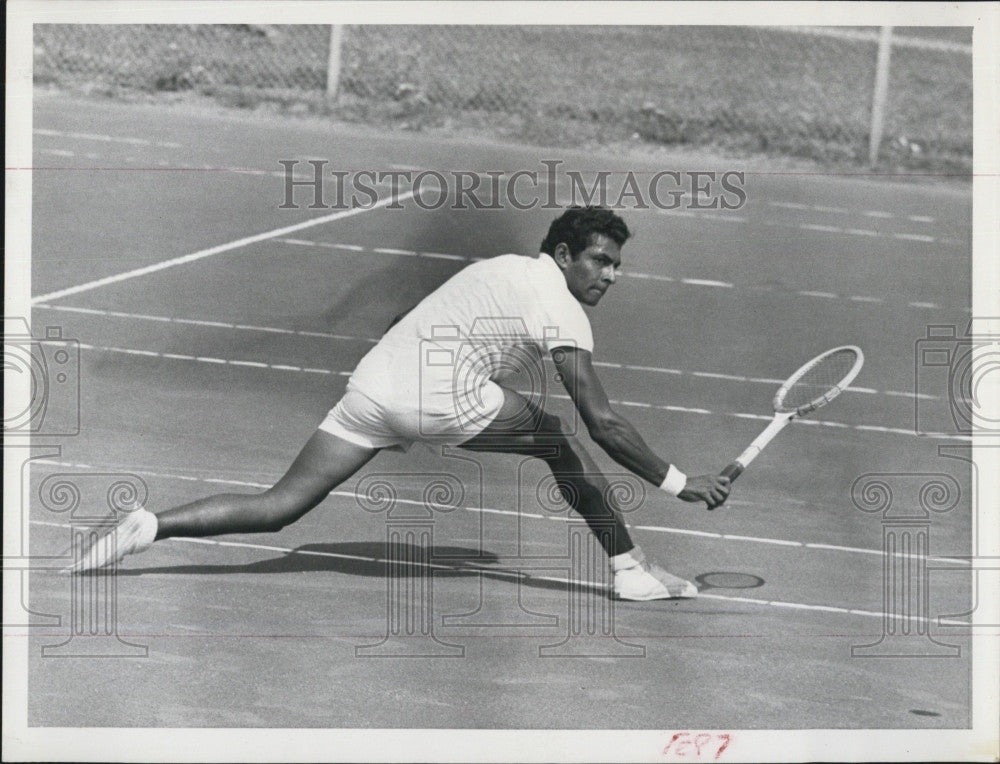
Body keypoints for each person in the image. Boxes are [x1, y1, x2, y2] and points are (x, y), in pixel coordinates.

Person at [69, 206, 731, 600]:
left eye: (616, 265)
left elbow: (403, 317)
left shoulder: (496, 267)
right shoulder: (562, 309)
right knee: (563, 440)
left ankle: (148, 526)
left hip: (374, 383)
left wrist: (395, 399)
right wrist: (679, 483)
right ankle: (627, 571)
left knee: (280, 506)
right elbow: (606, 422)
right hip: (439, 399)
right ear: (564, 253)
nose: (610, 275)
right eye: (600, 260)